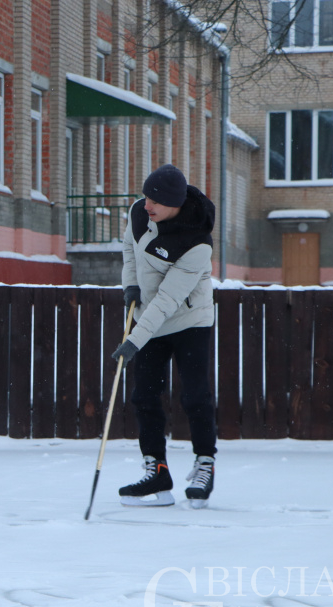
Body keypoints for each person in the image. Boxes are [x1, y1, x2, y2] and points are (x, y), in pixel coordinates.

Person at [112, 164, 217, 508]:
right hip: (149, 318)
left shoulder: (197, 243)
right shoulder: (138, 213)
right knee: (144, 396)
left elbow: (168, 300)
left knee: (195, 395)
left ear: (174, 203)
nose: (147, 205)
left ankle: (204, 464)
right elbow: (129, 249)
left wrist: (134, 340)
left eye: (154, 201)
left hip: (189, 320)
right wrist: (130, 285)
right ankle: (156, 470)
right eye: (145, 197)